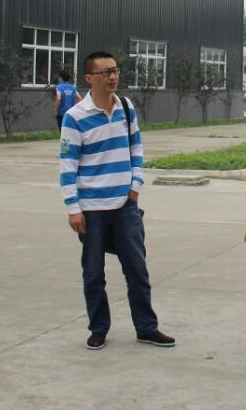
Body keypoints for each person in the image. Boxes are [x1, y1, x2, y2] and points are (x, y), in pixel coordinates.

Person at [59, 52, 174, 351]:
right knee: (93, 273)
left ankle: (147, 328)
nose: (112, 77)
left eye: (115, 71)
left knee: (137, 269)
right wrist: (73, 208)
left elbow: (136, 147)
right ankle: (98, 328)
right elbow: (68, 165)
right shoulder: (75, 117)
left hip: (125, 206)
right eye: (105, 72)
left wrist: (135, 185)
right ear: (89, 78)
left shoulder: (125, 106)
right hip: (91, 210)